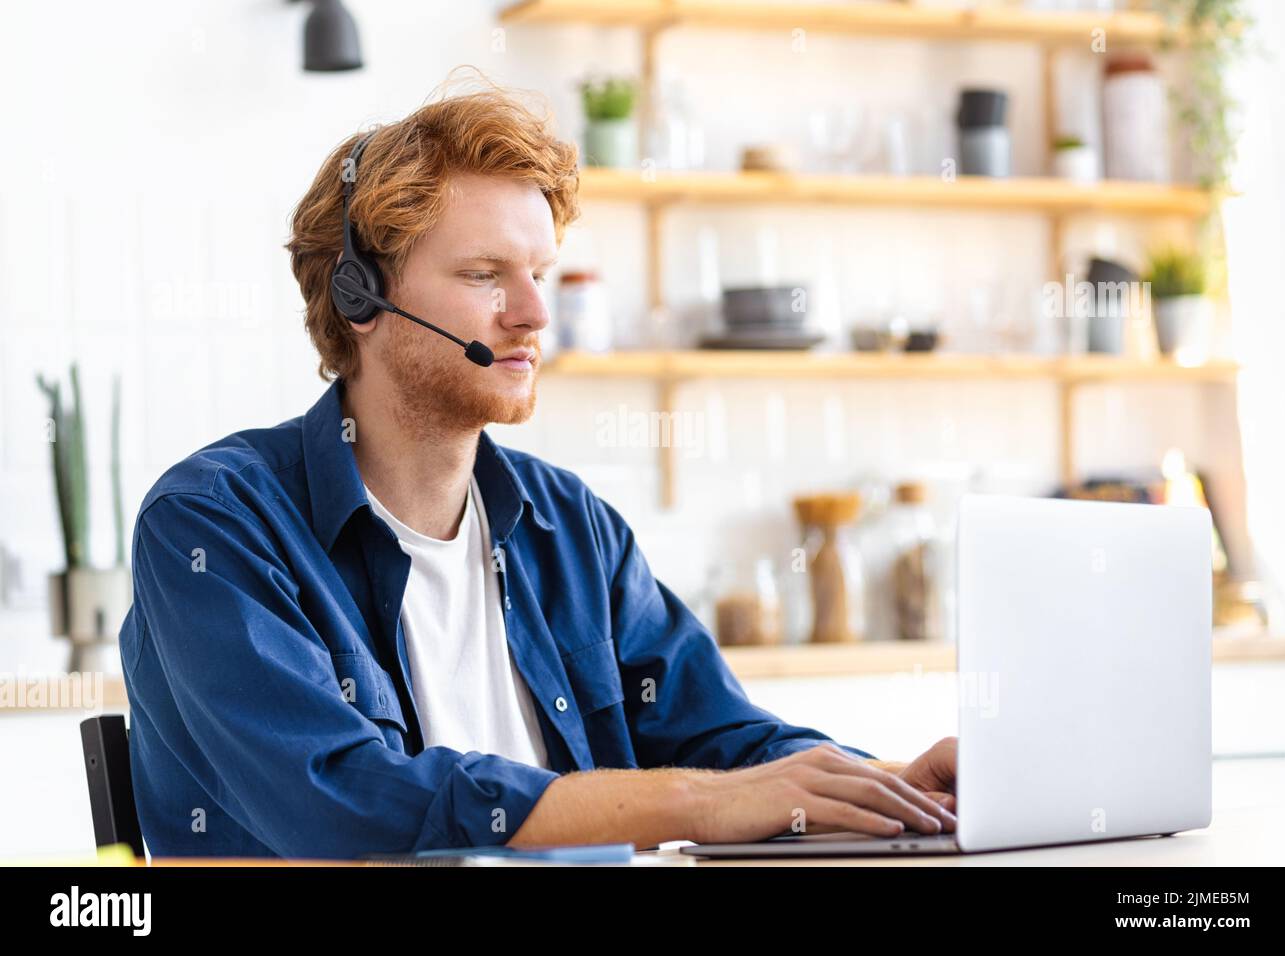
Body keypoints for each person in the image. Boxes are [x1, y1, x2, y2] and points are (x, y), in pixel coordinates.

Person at [120, 79, 957, 858]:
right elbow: (343, 806)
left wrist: (888, 784)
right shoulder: (213, 524)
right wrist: (698, 804)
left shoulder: (569, 525)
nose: (533, 315)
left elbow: (721, 738)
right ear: (360, 297)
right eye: (485, 276)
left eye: (540, 275)